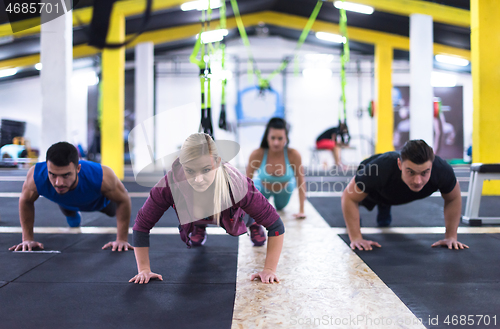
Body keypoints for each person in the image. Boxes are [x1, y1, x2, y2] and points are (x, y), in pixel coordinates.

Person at [130, 133, 285, 284]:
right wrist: (144, 269)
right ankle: (198, 224)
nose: (198, 179)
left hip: (230, 211)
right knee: (196, 206)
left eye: (206, 170)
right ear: (182, 165)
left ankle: (253, 223)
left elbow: (276, 225)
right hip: (195, 208)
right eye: (190, 171)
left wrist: (269, 269)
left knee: (246, 215)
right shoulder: (169, 184)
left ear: (217, 162)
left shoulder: (237, 185)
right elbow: (142, 225)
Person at [341, 139, 469, 251]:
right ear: (399, 164)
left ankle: (385, 205)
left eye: (424, 173)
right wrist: (356, 237)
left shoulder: (442, 170)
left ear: (431, 165)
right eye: (411, 172)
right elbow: (349, 197)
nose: (418, 181)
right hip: (378, 188)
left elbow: (453, 198)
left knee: (392, 198)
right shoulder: (378, 169)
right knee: (362, 201)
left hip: (396, 189)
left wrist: (451, 237)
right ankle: (383, 204)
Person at [9, 142, 133, 252]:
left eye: (66, 175)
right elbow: (25, 200)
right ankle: (73, 216)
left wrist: (121, 239)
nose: (58, 182)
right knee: (71, 217)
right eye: (53, 175)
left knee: (112, 211)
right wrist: (27, 239)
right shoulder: (36, 176)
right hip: (64, 201)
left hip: (98, 202)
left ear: (78, 168)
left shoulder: (102, 175)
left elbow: (123, 200)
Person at [246, 117, 306, 245]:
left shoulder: (293, 154)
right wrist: (245, 209)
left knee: (280, 208)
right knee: (255, 186)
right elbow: (246, 182)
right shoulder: (257, 154)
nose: (276, 143)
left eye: (280, 138)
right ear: (267, 137)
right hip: (262, 188)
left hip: (284, 190)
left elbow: (301, 181)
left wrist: (302, 210)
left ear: (286, 139)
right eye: (273, 138)